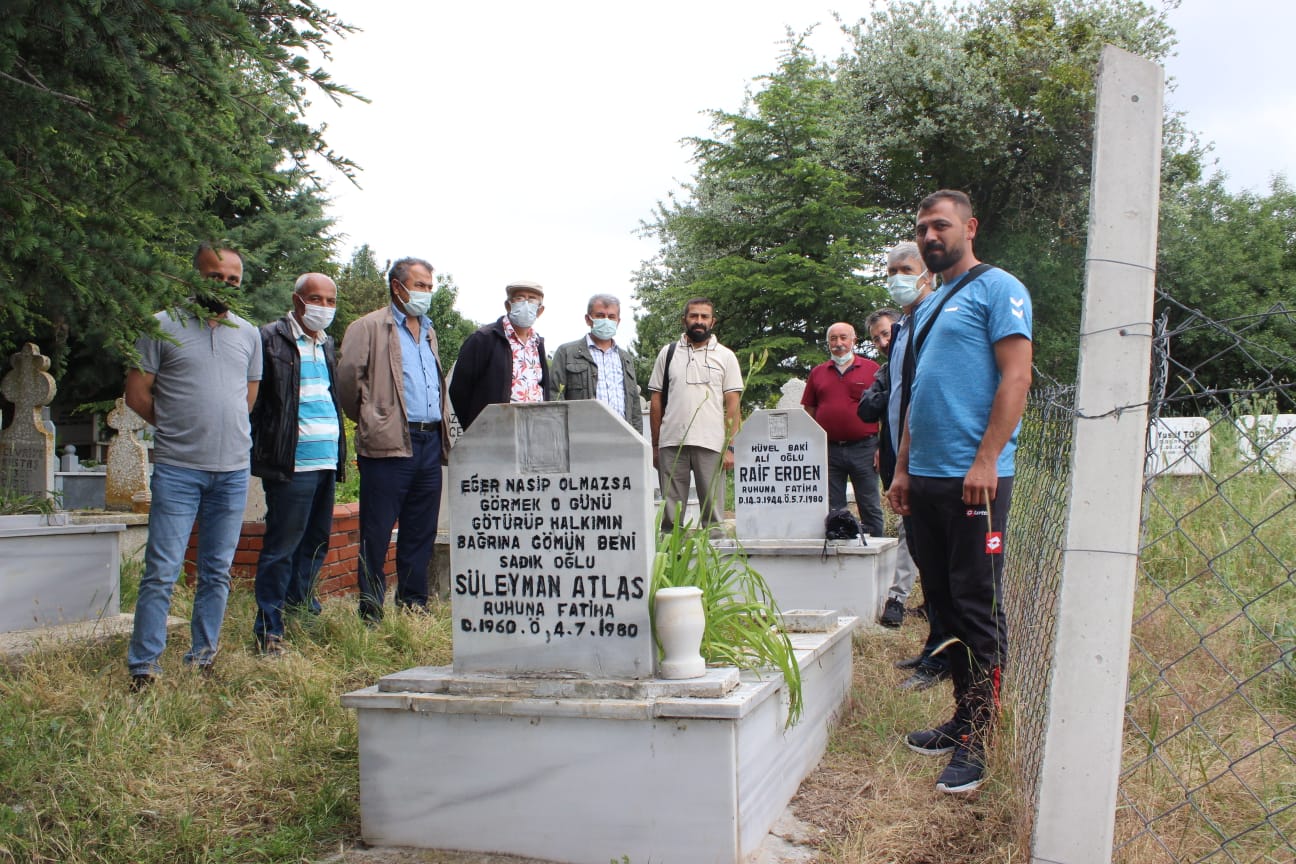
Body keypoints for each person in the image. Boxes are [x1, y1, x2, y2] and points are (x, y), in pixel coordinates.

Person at [887, 190, 1033, 794]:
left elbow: (1016, 375)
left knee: (975, 605)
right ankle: (959, 716)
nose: (929, 236)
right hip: (924, 479)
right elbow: (918, 398)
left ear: (970, 227)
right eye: (922, 228)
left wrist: (988, 460)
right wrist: (901, 469)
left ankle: (980, 735)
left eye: (940, 226)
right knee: (942, 604)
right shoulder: (929, 304)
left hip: (976, 479)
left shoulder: (999, 289)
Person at [125, 243, 261, 689]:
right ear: (195, 276)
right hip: (179, 469)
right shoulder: (160, 326)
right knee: (162, 570)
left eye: (233, 280)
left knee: (217, 570)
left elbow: (248, 397)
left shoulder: (248, 333)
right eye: (215, 276)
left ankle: (203, 656)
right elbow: (137, 394)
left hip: (232, 472)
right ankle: (144, 666)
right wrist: (177, 428)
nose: (223, 285)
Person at [337, 257, 449, 623]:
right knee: (377, 529)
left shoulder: (428, 330)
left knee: (421, 529)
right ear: (397, 287)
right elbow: (348, 384)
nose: (426, 293)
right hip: (388, 443)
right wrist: (372, 418)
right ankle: (370, 610)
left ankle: (413, 605)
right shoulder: (369, 326)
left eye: (430, 287)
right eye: (420, 286)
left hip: (429, 442)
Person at [862, 255, 951, 690]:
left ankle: (948, 655)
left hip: (928, 462)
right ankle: (936, 645)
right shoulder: (903, 333)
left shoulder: (934, 319)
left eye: (905, 270)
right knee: (924, 557)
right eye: (891, 272)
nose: (898, 279)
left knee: (939, 562)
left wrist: (908, 462)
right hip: (903, 459)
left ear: (927, 273)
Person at [248, 272, 346, 655]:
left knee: (315, 544)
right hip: (291, 463)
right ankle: (269, 630)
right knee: (282, 547)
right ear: (297, 299)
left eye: (329, 300)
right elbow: (260, 402)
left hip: (324, 462)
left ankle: (301, 614)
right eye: (315, 298)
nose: (323, 307)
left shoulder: (326, 344)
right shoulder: (270, 339)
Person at [648, 297, 743, 531]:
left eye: (704, 316)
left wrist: (730, 447)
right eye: (694, 316)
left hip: (711, 444)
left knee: (714, 518)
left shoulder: (725, 356)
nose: (699, 321)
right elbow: (656, 400)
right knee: (670, 517)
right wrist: (655, 445)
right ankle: (673, 562)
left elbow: (733, 404)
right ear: (684, 320)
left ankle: (714, 562)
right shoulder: (667, 353)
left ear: (713, 321)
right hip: (672, 443)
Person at [801, 322, 883, 536]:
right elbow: (809, 411)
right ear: (828, 342)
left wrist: (881, 446)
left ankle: (875, 550)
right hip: (829, 450)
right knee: (832, 507)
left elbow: (884, 410)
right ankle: (839, 550)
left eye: (843, 338)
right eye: (834, 339)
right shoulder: (818, 373)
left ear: (854, 340)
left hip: (865, 448)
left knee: (870, 505)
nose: (839, 344)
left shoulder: (872, 369)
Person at [551, 293, 642, 431]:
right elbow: (555, 397)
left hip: (623, 437)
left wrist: (638, 439)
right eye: (600, 315)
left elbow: (634, 404)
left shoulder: (626, 358)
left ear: (618, 321)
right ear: (588, 319)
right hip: (583, 437)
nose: (606, 320)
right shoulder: (567, 353)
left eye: (611, 317)